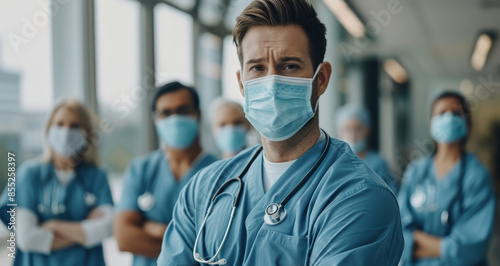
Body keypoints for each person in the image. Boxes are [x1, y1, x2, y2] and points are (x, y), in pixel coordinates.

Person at [157, 1, 404, 265]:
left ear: (321, 79)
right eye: (258, 68)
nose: (271, 82)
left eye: (289, 66)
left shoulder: (360, 198)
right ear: (242, 83)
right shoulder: (204, 189)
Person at [113, 81, 218, 266]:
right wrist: (187, 243)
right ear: (156, 119)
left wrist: (153, 228)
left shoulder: (219, 172)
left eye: (183, 110)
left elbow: (217, 243)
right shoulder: (141, 169)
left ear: (198, 114)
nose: (174, 118)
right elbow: (124, 239)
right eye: (166, 113)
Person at [9, 99, 114, 266]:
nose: (66, 132)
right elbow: (27, 238)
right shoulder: (30, 174)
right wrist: (85, 230)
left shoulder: (97, 177)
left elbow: (108, 228)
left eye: (74, 126)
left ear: (86, 133)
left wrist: (53, 225)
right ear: (48, 130)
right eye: (59, 124)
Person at [398, 91, 496, 265]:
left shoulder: (478, 176)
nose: (449, 118)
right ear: (431, 124)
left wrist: (416, 241)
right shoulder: (416, 172)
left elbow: (471, 248)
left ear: (469, 124)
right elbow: (398, 235)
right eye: (442, 113)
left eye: (456, 113)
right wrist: (448, 247)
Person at [336, 104, 398, 193]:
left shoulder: (378, 164)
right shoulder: (335, 164)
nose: (352, 135)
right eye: (347, 129)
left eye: (357, 129)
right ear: (339, 131)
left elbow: (391, 195)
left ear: (367, 130)